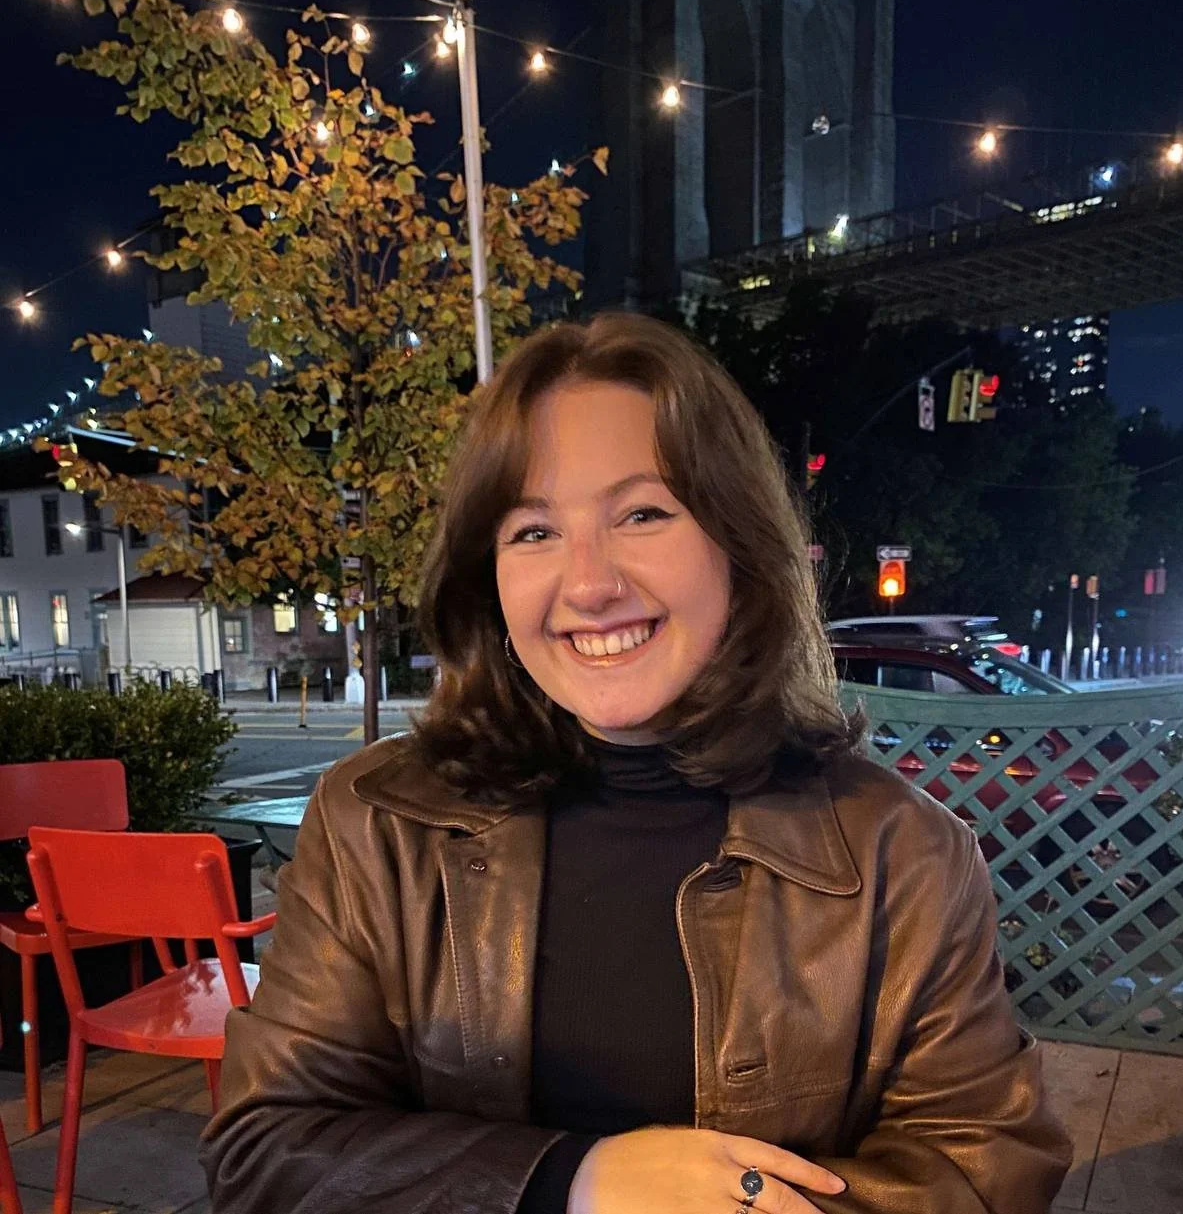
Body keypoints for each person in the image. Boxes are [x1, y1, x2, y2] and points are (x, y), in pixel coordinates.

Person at [200, 312, 1072, 1214]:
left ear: (737, 543)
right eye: (532, 531)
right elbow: (267, 1150)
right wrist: (571, 1182)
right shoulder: (375, 824)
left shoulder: (906, 856)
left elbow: (985, 1166)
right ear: (487, 577)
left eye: (643, 513)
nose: (588, 583)